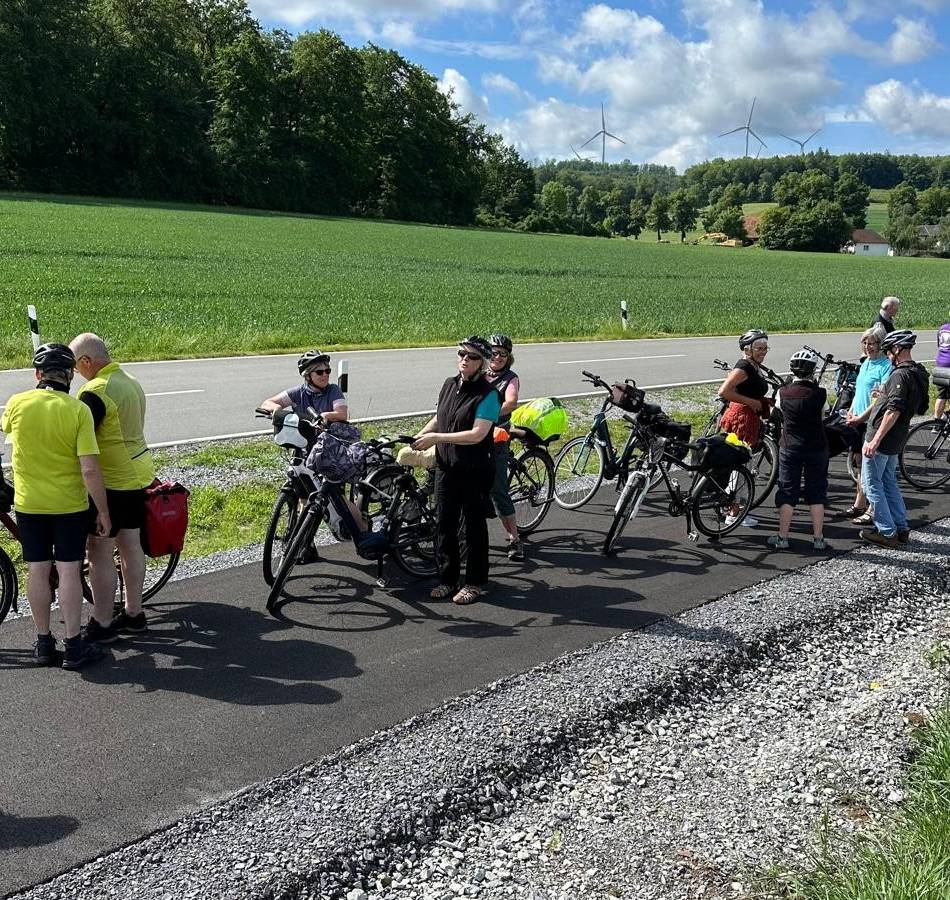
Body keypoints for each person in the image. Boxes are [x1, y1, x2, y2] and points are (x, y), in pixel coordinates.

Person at [0, 343, 111, 669]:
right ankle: (74, 646)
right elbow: (89, 469)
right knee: (67, 571)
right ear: (70, 376)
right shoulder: (78, 411)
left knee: (37, 568)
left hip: (30, 503)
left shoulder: (18, 403)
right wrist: (103, 510)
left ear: (37, 374)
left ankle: (44, 643)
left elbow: (6, 428)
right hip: (69, 505)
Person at [69, 333, 154, 641]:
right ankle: (135, 613)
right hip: (137, 474)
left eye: (76, 365)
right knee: (131, 546)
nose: (76, 372)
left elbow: (79, 437)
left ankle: (102, 621)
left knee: (99, 551)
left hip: (110, 480)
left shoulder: (95, 390)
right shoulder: (129, 379)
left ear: (87, 361)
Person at [413, 337, 500, 606]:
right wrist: (421, 435)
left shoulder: (489, 394)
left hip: (474, 468)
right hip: (447, 467)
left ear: (482, 363)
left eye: (472, 357)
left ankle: (474, 582)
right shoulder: (449, 385)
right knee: (444, 524)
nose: (465, 359)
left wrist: (437, 439)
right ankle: (448, 578)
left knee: (474, 527)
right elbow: (441, 416)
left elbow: (477, 434)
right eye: (462, 353)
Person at [859, 329, 930, 549]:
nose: (888, 355)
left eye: (889, 351)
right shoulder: (918, 372)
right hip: (898, 437)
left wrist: (875, 440)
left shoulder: (899, 374)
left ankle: (887, 532)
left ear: (897, 349)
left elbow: (893, 410)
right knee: (889, 482)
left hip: (884, 438)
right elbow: (920, 407)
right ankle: (901, 527)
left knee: (871, 485)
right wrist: (884, 392)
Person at [767, 350, 829, 551]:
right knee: (816, 491)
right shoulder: (820, 394)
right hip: (816, 446)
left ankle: (782, 537)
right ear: (813, 370)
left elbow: (778, 412)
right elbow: (822, 416)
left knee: (787, 490)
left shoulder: (782, 393)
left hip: (790, 446)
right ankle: (818, 538)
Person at [716, 329, 771, 527]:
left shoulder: (753, 366)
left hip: (746, 417)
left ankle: (731, 507)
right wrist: (750, 401)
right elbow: (724, 391)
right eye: (759, 348)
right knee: (740, 466)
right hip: (741, 419)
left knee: (737, 464)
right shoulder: (744, 367)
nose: (763, 351)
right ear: (747, 350)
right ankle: (734, 512)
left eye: (765, 348)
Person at [842, 326, 891, 523]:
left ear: (881, 345)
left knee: (871, 468)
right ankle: (859, 503)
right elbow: (859, 392)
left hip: (871, 421)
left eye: (872, 343)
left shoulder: (885, 366)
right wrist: (852, 411)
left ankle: (872, 509)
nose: (867, 346)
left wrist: (860, 417)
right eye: (865, 342)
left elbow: (879, 400)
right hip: (857, 420)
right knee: (859, 463)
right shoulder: (866, 363)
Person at [485, 333, 524, 562]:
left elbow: (511, 401)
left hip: (497, 436)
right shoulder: (480, 373)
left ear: (508, 357)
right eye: (493, 352)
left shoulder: (510, 378)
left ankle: (514, 539)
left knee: (498, 489)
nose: (497, 357)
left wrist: (486, 415)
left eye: (503, 354)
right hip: (474, 434)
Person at [260, 350, 349, 423]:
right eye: (319, 372)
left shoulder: (333, 390)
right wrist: (277, 409)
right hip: (302, 438)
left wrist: (325, 416)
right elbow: (266, 403)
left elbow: (342, 414)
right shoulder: (297, 393)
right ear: (307, 375)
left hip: (330, 439)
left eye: (327, 371)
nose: (325, 375)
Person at [934, 316, 950, 420]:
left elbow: (939, 344)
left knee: (942, 395)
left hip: (940, 363)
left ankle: (936, 422)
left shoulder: (942, 328)